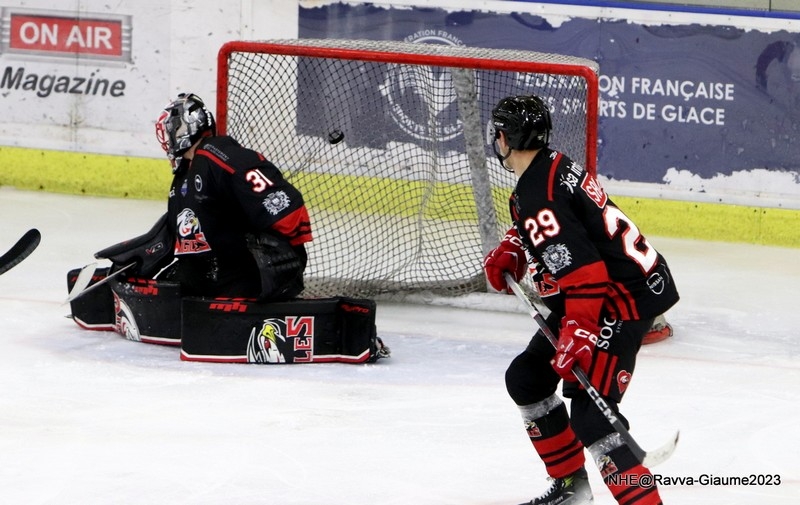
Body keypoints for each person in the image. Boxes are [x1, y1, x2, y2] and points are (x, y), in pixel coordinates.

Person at [482, 95, 679, 505]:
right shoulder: (550, 166)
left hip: (618, 301)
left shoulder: (538, 193)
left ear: (505, 138)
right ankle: (573, 491)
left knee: (593, 418)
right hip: (603, 292)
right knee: (528, 379)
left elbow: (588, 274)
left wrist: (579, 331)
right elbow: (566, 228)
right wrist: (515, 246)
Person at [149, 92, 313, 300]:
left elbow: (286, 208)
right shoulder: (186, 172)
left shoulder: (219, 154)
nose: (169, 137)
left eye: (176, 128)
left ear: (192, 126)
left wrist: (283, 256)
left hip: (240, 272)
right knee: (163, 294)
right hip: (208, 269)